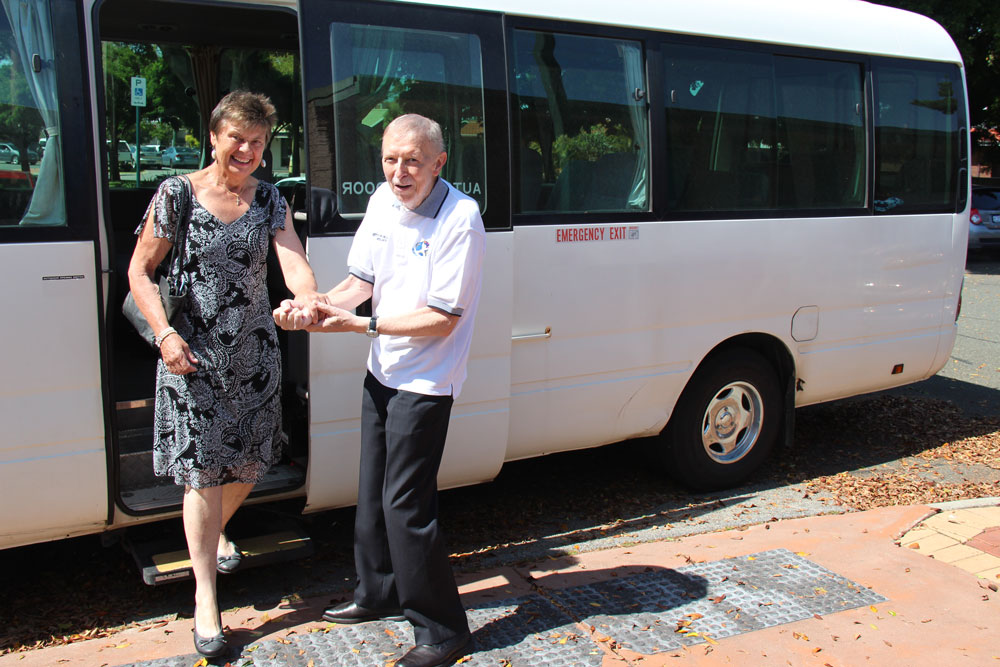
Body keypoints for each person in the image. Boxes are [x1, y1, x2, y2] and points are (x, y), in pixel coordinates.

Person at [274, 114, 484, 667]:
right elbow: (359, 285)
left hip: (427, 381)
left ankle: (442, 630)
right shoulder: (381, 202)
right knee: (371, 493)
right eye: (390, 158)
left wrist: (359, 326)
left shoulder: (460, 217)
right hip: (383, 371)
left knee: (407, 505)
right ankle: (378, 592)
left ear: (440, 162)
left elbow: (442, 318)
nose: (399, 171)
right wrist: (314, 306)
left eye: (412, 160)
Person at [127, 91, 321, 659]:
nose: (247, 150)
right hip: (190, 353)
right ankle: (206, 596)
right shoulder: (177, 194)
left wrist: (307, 297)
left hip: (255, 355)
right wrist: (164, 333)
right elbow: (141, 270)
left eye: (258, 142)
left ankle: (210, 536)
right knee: (206, 473)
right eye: (237, 137)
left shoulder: (271, 200)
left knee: (255, 460)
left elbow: (292, 259)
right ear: (213, 137)